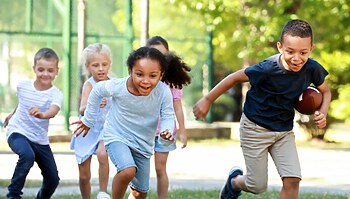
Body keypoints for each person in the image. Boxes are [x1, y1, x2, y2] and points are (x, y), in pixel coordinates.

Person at [193, 19, 332, 199]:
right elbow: (234, 78)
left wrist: (323, 111)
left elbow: (326, 91)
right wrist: (207, 100)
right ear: (280, 47)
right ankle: (235, 182)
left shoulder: (312, 68)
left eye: (303, 52)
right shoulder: (267, 68)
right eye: (290, 51)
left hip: (283, 132)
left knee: (293, 180)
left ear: (311, 49)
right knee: (257, 186)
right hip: (255, 129)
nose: (297, 58)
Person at [72, 46, 176, 199]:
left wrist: (166, 130)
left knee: (140, 192)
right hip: (117, 136)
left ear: (161, 75)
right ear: (130, 71)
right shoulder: (119, 86)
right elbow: (97, 91)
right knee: (128, 170)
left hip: (143, 144)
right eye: (139, 74)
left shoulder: (163, 91)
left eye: (152, 76)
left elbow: (167, 114)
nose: (145, 81)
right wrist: (88, 119)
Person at [3, 48, 62, 199]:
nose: (45, 74)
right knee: (27, 155)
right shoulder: (23, 86)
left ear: (57, 71)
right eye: (41, 69)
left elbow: (53, 110)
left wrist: (43, 115)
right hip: (18, 132)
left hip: (40, 139)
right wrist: (12, 114)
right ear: (34, 69)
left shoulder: (56, 94)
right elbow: (22, 103)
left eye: (50, 70)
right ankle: (13, 195)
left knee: (53, 179)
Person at [146, 36, 191, 199]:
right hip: (144, 130)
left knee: (160, 168)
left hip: (164, 131)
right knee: (137, 168)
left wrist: (182, 131)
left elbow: (177, 108)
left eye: (163, 54)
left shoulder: (172, 82)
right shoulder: (143, 79)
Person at [70, 43, 112, 199]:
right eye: (95, 65)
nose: (100, 68)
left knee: (103, 154)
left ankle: (102, 192)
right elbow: (82, 109)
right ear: (88, 67)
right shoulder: (89, 85)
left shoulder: (114, 84)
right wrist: (91, 105)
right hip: (87, 129)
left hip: (106, 129)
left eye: (104, 64)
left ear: (109, 64)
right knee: (84, 176)